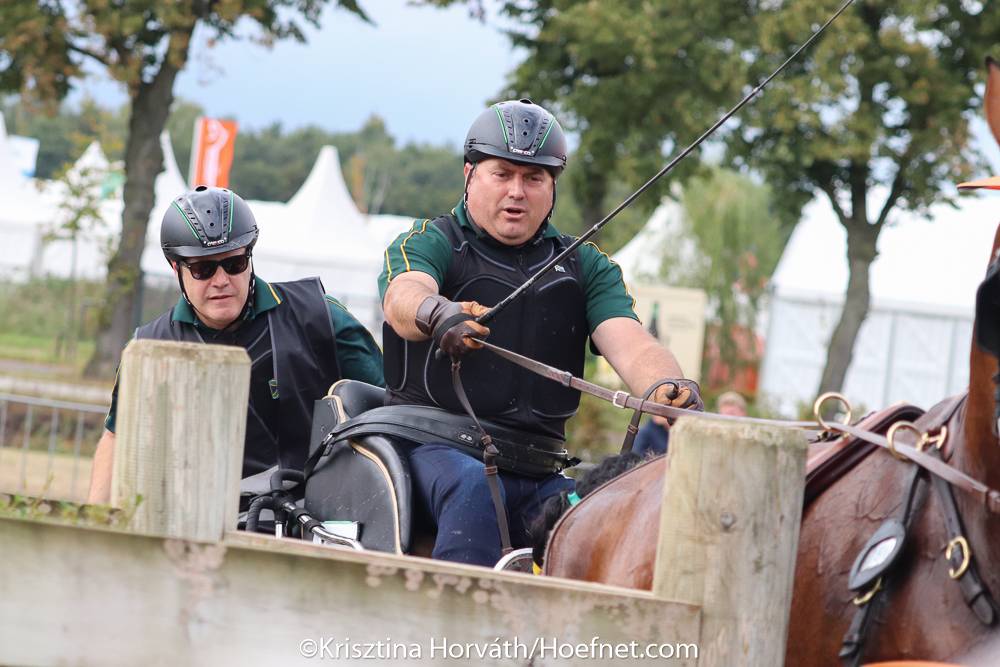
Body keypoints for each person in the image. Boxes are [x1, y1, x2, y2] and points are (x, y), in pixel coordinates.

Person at [377, 99, 703, 566]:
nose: (517, 191)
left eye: (534, 178)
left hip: (541, 467)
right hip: (431, 450)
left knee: (605, 513)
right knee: (473, 488)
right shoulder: (430, 240)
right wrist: (438, 312)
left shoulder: (586, 266)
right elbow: (403, 296)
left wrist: (669, 388)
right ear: (469, 174)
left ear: (552, 188)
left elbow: (632, 343)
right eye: (502, 174)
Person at [87, 186, 384, 503]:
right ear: (176, 269)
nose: (220, 280)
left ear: (250, 258)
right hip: (196, 516)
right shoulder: (150, 346)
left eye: (234, 264)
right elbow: (117, 437)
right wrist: (94, 521)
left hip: (316, 513)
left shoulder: (319, 315)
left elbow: (387, 406)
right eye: (203, 269)